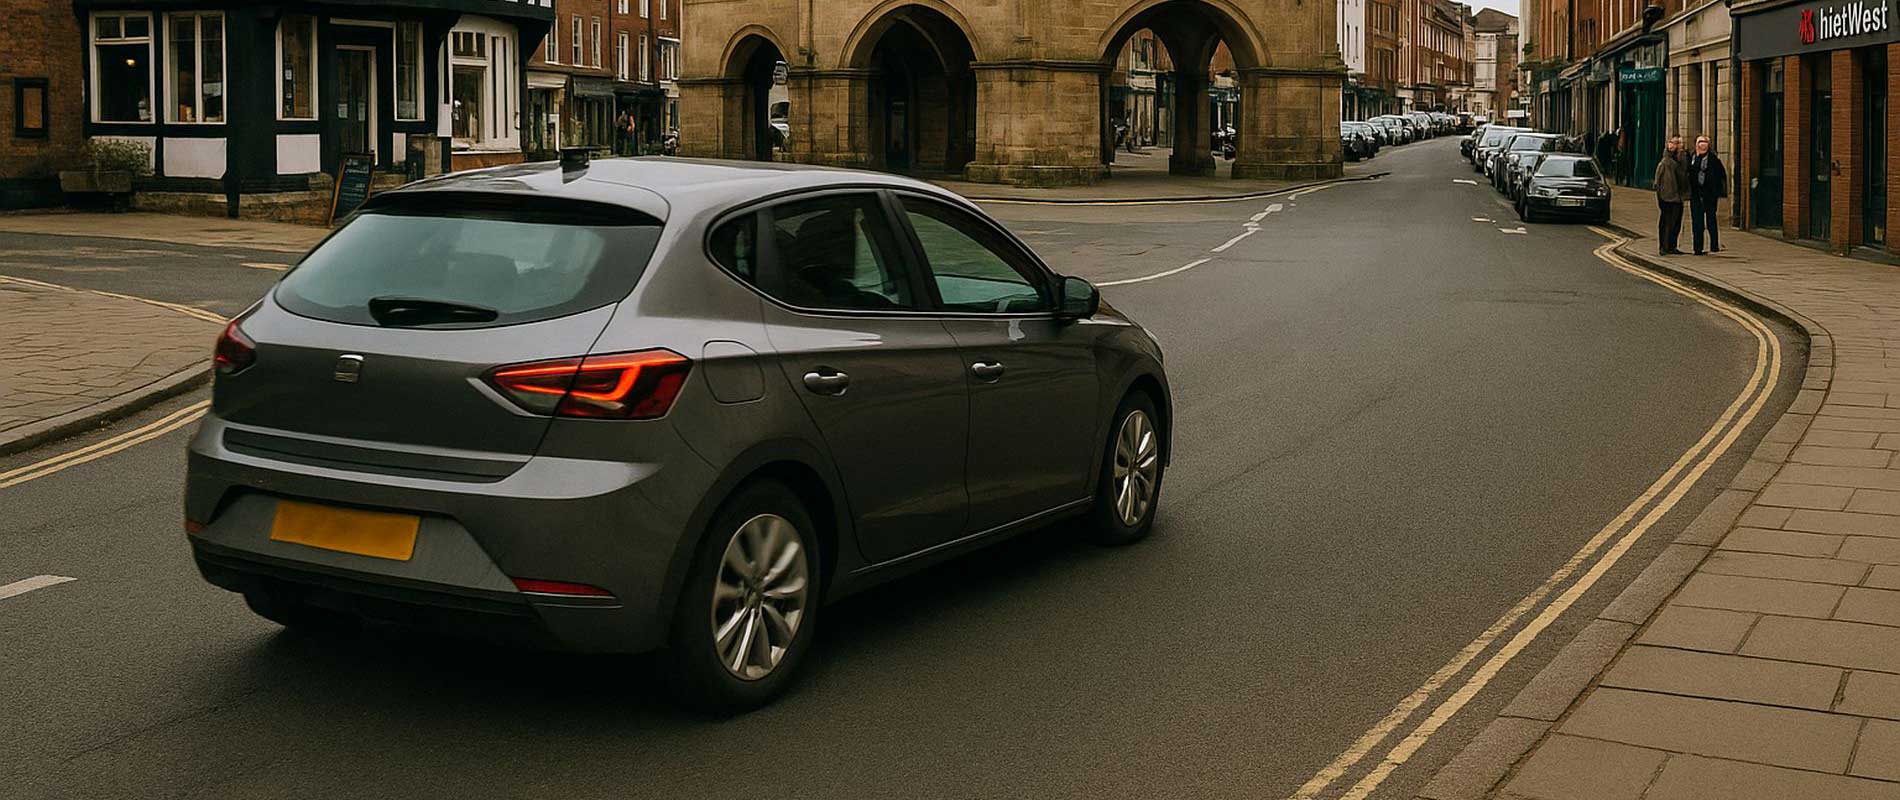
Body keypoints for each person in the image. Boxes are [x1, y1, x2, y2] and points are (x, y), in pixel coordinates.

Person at [1688, 135, 1727, 254]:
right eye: (1700, 142)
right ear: (1696, 144)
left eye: (1705, 142)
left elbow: (1722, 176)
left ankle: (1714, 245)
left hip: (1709, 195)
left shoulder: (1714, 160)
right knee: (1697, 222)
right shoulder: (1692, 158)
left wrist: (1717, 191)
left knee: (1711, 220)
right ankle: (1697, 248)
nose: (1702, 144)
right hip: (1695, 194)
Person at [1653, 135, 1690, 255]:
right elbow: (1657, 182)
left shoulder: (1680, 159)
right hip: (1668, 197)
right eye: (1673, 142)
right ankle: (1664, 247)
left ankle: (1672, 246)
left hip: (1678, 196)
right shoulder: (1665, 162)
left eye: (1678, 143)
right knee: (1667, 222)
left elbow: (1684, 173)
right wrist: (1663, 197)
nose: (1676, 145)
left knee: (1676, 223)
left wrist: (1682, 153)